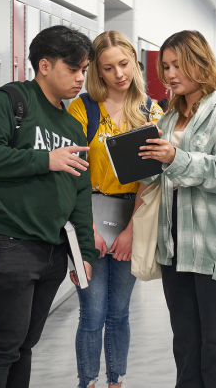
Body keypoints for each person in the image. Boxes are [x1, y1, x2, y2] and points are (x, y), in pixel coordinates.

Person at [0, 25, 99, 388]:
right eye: (73, 69)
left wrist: (83, 251)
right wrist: (44, 160)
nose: (80, 79)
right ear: (44, 65)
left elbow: (80, 192)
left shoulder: (72, 125)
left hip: (51, 252)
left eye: (84, 70)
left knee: (24, 346)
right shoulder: (9, 102)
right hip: (5, 243)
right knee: (1, 346)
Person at [138, 30, 216, 388]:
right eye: (165, 67)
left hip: (214, 244)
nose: (170, 74)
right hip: (175, 245)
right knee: (185, 339)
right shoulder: (170, 118)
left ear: (199, 62)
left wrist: (175, 157)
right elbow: (164, 175)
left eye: (178, 65)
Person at [67, 31, 163, 388]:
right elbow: (73, 173)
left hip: (131, 216)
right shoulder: (82, 108)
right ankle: (88, 381)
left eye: (124, 64)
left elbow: (150, 179)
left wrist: (131, 231)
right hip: (87, 214)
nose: (119, 73)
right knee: (92, 312)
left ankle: (115, 380)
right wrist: (87, 227)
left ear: (135, 62)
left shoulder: (152, 111)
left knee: (119, 312)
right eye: (109, 68)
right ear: (98, 71)